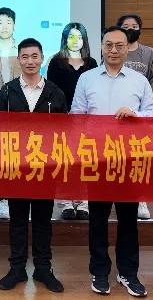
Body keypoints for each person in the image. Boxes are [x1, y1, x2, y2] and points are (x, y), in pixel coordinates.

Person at [71, 25, 153, 298]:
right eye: (108, 45)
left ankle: (128, 273)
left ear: (127, 48)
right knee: (97, 219)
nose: (113, 50)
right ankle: (99, 271)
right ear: (101, 47)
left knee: (128, 219)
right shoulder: (86, 79)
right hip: (97, 159)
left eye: (120, 45)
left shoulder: (139, 80)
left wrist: (135, 115)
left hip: (129, 159)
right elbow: (76, 115)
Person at [0, 38, 66, 293]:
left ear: (42, 58)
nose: (29, 62)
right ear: (18, 60)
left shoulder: (56, 93)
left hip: (45, 168)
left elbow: (63, 134)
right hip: (17, 167)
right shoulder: (7, 91)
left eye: (34, 56)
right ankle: (16, 269)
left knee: (43, 221)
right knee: (17, 221)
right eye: (24, 57)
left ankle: (43, 268)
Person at [46, 22, 98, 221]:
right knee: (65, 162)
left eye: (79, 37)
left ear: (84, 40)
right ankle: (66, 202)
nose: (75, 41)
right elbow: (52, 91)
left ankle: (83, 202)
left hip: (86, 120)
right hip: (63, 120)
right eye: (71, 37)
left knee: (84, 161)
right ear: (64, 39)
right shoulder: (55, 62)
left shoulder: (92, 63)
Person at [117, 14, 153, 221]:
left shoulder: (150, 54)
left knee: (138, 158)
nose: (130, 29)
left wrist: (144, 108)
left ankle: (140, 198)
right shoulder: (114, 51)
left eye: (134, 26)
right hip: (117, 114)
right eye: (126, 26)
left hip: (140, 114)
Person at [0, 7, 20, 220]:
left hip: (19, 108)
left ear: (14, 25)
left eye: (8, 22)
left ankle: (18, 196)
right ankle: (2, 200)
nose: (4, 26)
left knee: (18, 154)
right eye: (0, 22)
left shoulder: (22, 48)